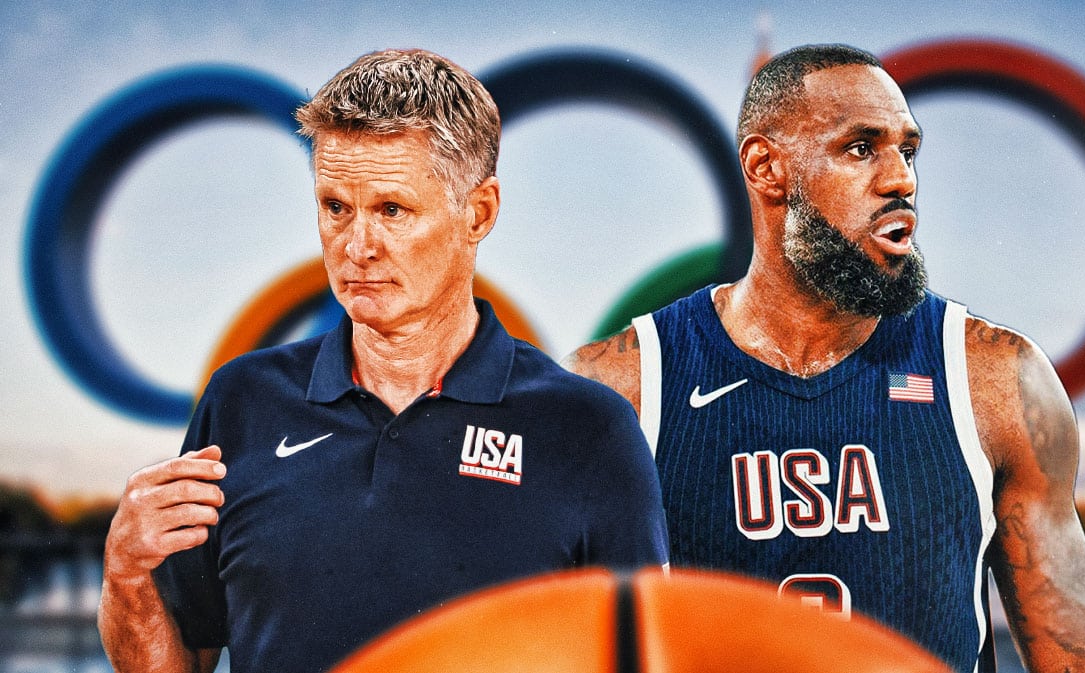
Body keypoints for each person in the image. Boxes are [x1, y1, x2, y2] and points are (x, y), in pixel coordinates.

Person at [98, 48, 668, 673]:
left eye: (391, 210)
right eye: (335, 208)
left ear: (479, 212)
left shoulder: (587, 430)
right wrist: (127, 577)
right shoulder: (242, 402)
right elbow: (182, 661)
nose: (358, 246)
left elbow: (649, 658)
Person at [565, 44, 1085, 673]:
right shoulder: (622, 386)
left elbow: (1076, 658)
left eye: (907, 151)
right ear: (766, 168)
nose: (901, 179)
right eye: (862, 148)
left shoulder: (995, 379)